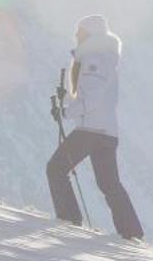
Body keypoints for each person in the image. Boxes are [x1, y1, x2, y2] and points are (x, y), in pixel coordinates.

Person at [47, 14, 144, 239]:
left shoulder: (94, 60)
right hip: (106, 132)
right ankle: (131, 232)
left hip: (91, 131)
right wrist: (68, 102)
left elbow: (92, 99)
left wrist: (65, 111)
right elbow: (92, 96)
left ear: (90, 35)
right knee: (109, 184)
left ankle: (69, 218)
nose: (76, 36)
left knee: (56, 167)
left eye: (79, 33)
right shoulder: (104, 59)